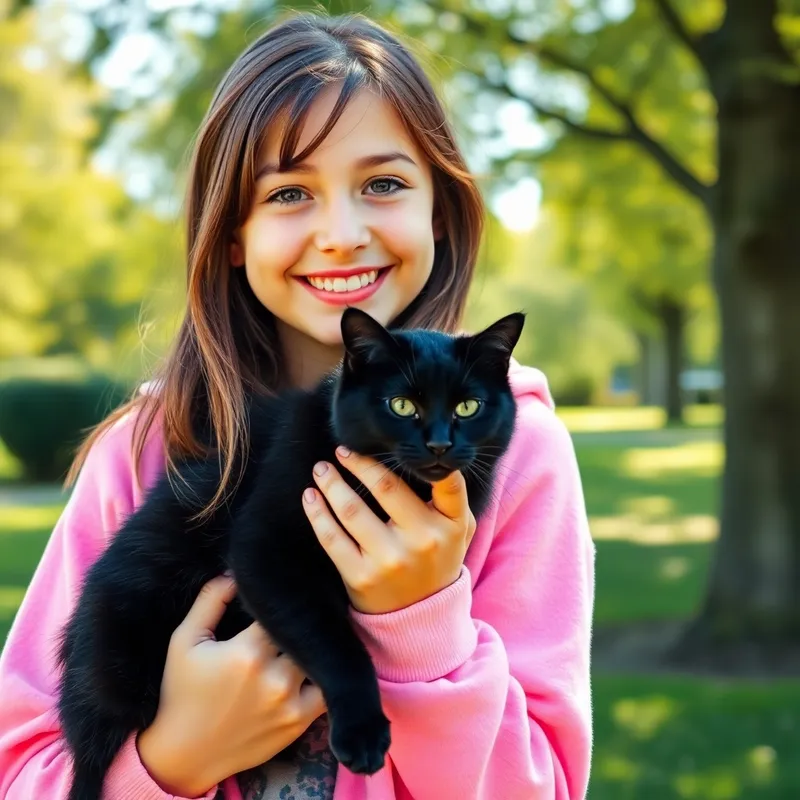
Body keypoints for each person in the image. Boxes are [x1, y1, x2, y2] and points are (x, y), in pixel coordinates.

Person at [0, 12, 595, 800]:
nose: (342, 234)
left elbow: (543, 788)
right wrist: (171, 760)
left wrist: (421, 626)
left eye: (383, 183)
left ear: (440, 212)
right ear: (234, 233)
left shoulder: (519, 455)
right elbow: (22, 769)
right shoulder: (148, 450)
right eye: (288, 192)